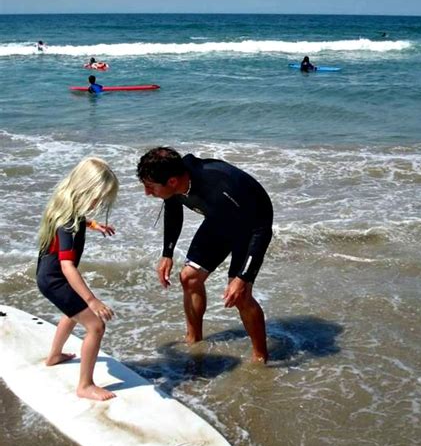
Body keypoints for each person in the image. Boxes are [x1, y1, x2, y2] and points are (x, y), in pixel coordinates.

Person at [137, 147, 273, 363]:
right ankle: (194, 339)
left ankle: (261, 357)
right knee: (189, 278)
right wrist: (167, 253)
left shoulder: (218, 185)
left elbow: (262, 230)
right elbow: (173, 207)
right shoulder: (175, 183)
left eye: (150, 187)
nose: (147, 193)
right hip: (220, 220)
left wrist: (243, 277)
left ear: (172, 181)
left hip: (252, 225)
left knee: (241, 296)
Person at [36, 157, 119, 401]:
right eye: (98, 197)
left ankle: (54, 356)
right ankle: (85, 386)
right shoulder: (69, 222)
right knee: (95, 325)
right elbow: (68, 266)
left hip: (47, 276)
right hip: (56, 279)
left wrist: (93, 225)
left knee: (71, 313)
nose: (99, 202)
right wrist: (92, 300)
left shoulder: (63, 205)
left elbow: (76, 222)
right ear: (86, 190)